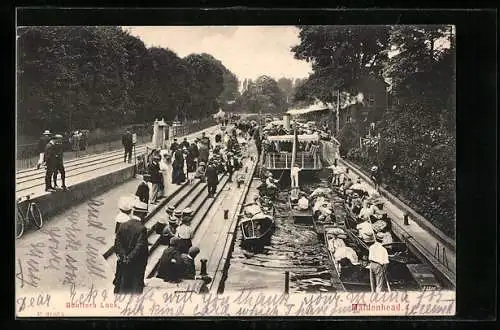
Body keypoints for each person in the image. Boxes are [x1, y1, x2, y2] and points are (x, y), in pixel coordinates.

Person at [113, 207, 148, 294]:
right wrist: (130, 257)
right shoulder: (142, 228)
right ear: (142, 215)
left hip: (123, 263)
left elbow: (117, 243)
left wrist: (124, 256)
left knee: (122, 285)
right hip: (136, 264)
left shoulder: (123, 225)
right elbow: (139, 246)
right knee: (134, 288)